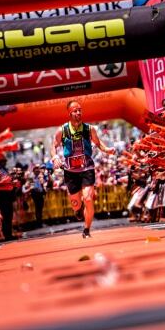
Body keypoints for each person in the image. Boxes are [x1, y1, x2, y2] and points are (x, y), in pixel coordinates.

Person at [52, 100, 114, 238]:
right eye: (75, 110)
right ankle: (78, 209)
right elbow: (54, 146)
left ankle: (86, 229)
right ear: (69, 113)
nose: (78, 113)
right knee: (76, 204)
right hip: (70, 171)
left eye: (80, 110)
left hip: (87, 168)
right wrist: (55, 157)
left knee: (88, 198)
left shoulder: (89, 129)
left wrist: (107, 150)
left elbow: (98, 143)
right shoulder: (62, 130)